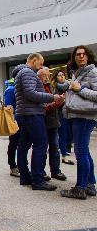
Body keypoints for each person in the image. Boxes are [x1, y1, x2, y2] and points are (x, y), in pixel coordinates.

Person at [12, 53, 63, 190]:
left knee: (23, 145)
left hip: (24, 113)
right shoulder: (28, 72)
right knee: (41, 144)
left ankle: (25, 177)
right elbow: (31, 93)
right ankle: (38, 179)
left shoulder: (20, 73)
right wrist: (52, 97)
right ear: (34, 61)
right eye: (40, 63)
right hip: (32, 113)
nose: (41, 67)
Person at [61, 46, 97, 199]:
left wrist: (79, 89)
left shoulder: (93, 72)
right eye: (78, 54)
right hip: (78, 115)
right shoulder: (78, 72)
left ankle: (80, 188)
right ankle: (90, 184)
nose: (81, 56)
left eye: (83, 54)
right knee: (84, 151)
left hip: (85, 116)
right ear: (74, 57)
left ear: (88, 56)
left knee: (80, 152)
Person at [38, 67, 67, 181]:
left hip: (53, 122)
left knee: (55, 148)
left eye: (47, 75)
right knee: (42, 149)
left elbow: (54, 103)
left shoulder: (52, 86)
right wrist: (56, 103)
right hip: (42, 122)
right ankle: (42, 172)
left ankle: (56, 171)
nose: (46, 77)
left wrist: (60, 101)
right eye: (44, 75)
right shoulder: (37, 87)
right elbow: (42, 108)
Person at [52, 69, 75, 165]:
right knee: (62, 133)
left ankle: (65, 150)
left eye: (62, 75)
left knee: (69, 133)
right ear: (56, 77)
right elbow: (52, 100)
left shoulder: (70, 86)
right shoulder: (54, 87)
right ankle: (64, 155)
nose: (61, 76)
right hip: (59, 113)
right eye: (59, 75)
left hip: (71, 112)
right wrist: (61, 100)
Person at [4, 78, 20, 177]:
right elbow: (9, 107)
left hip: (23, 119)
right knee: (14, 143)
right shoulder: (11, 89)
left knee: (22, 144)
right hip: (15, 121)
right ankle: (13, 166)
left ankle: (20, 165)